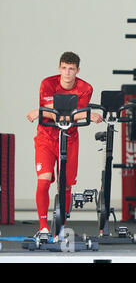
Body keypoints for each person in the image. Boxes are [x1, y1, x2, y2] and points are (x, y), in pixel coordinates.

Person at [26, 51, 103, 238]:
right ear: (59, 68)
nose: (67, 72)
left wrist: (45, 110)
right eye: (64, 68)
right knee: (43, 181)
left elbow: (56, 112)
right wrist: (77, 113)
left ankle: (59, 230)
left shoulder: (86, 88)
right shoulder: (48, 83)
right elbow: (53, 115)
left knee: (66, 185)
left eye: (71, 69)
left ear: (77, 70)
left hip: (69, 138)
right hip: (46, 137)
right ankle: (44, 227)